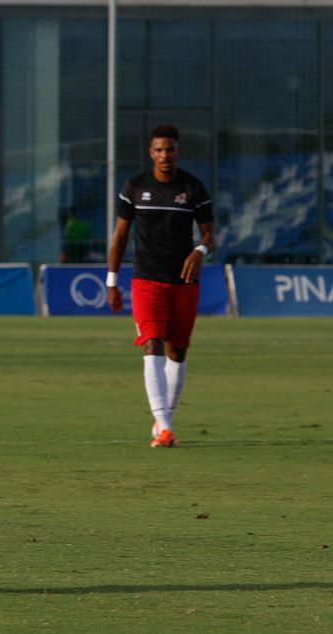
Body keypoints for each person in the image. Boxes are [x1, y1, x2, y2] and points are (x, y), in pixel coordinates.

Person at [107, 124, 214, 448]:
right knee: (151, 342)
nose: (164, 155)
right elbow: (120, 236)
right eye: (158, 150)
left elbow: (210, 234)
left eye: (170, 149)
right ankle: (165, 428)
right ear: (150, 152)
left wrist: (200, 250)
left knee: (177, 351)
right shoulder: (135, 187)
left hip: (183, 281)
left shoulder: (193, 189)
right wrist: (112, 281)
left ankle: (163, 418)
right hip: (146, 280)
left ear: (177, 151)